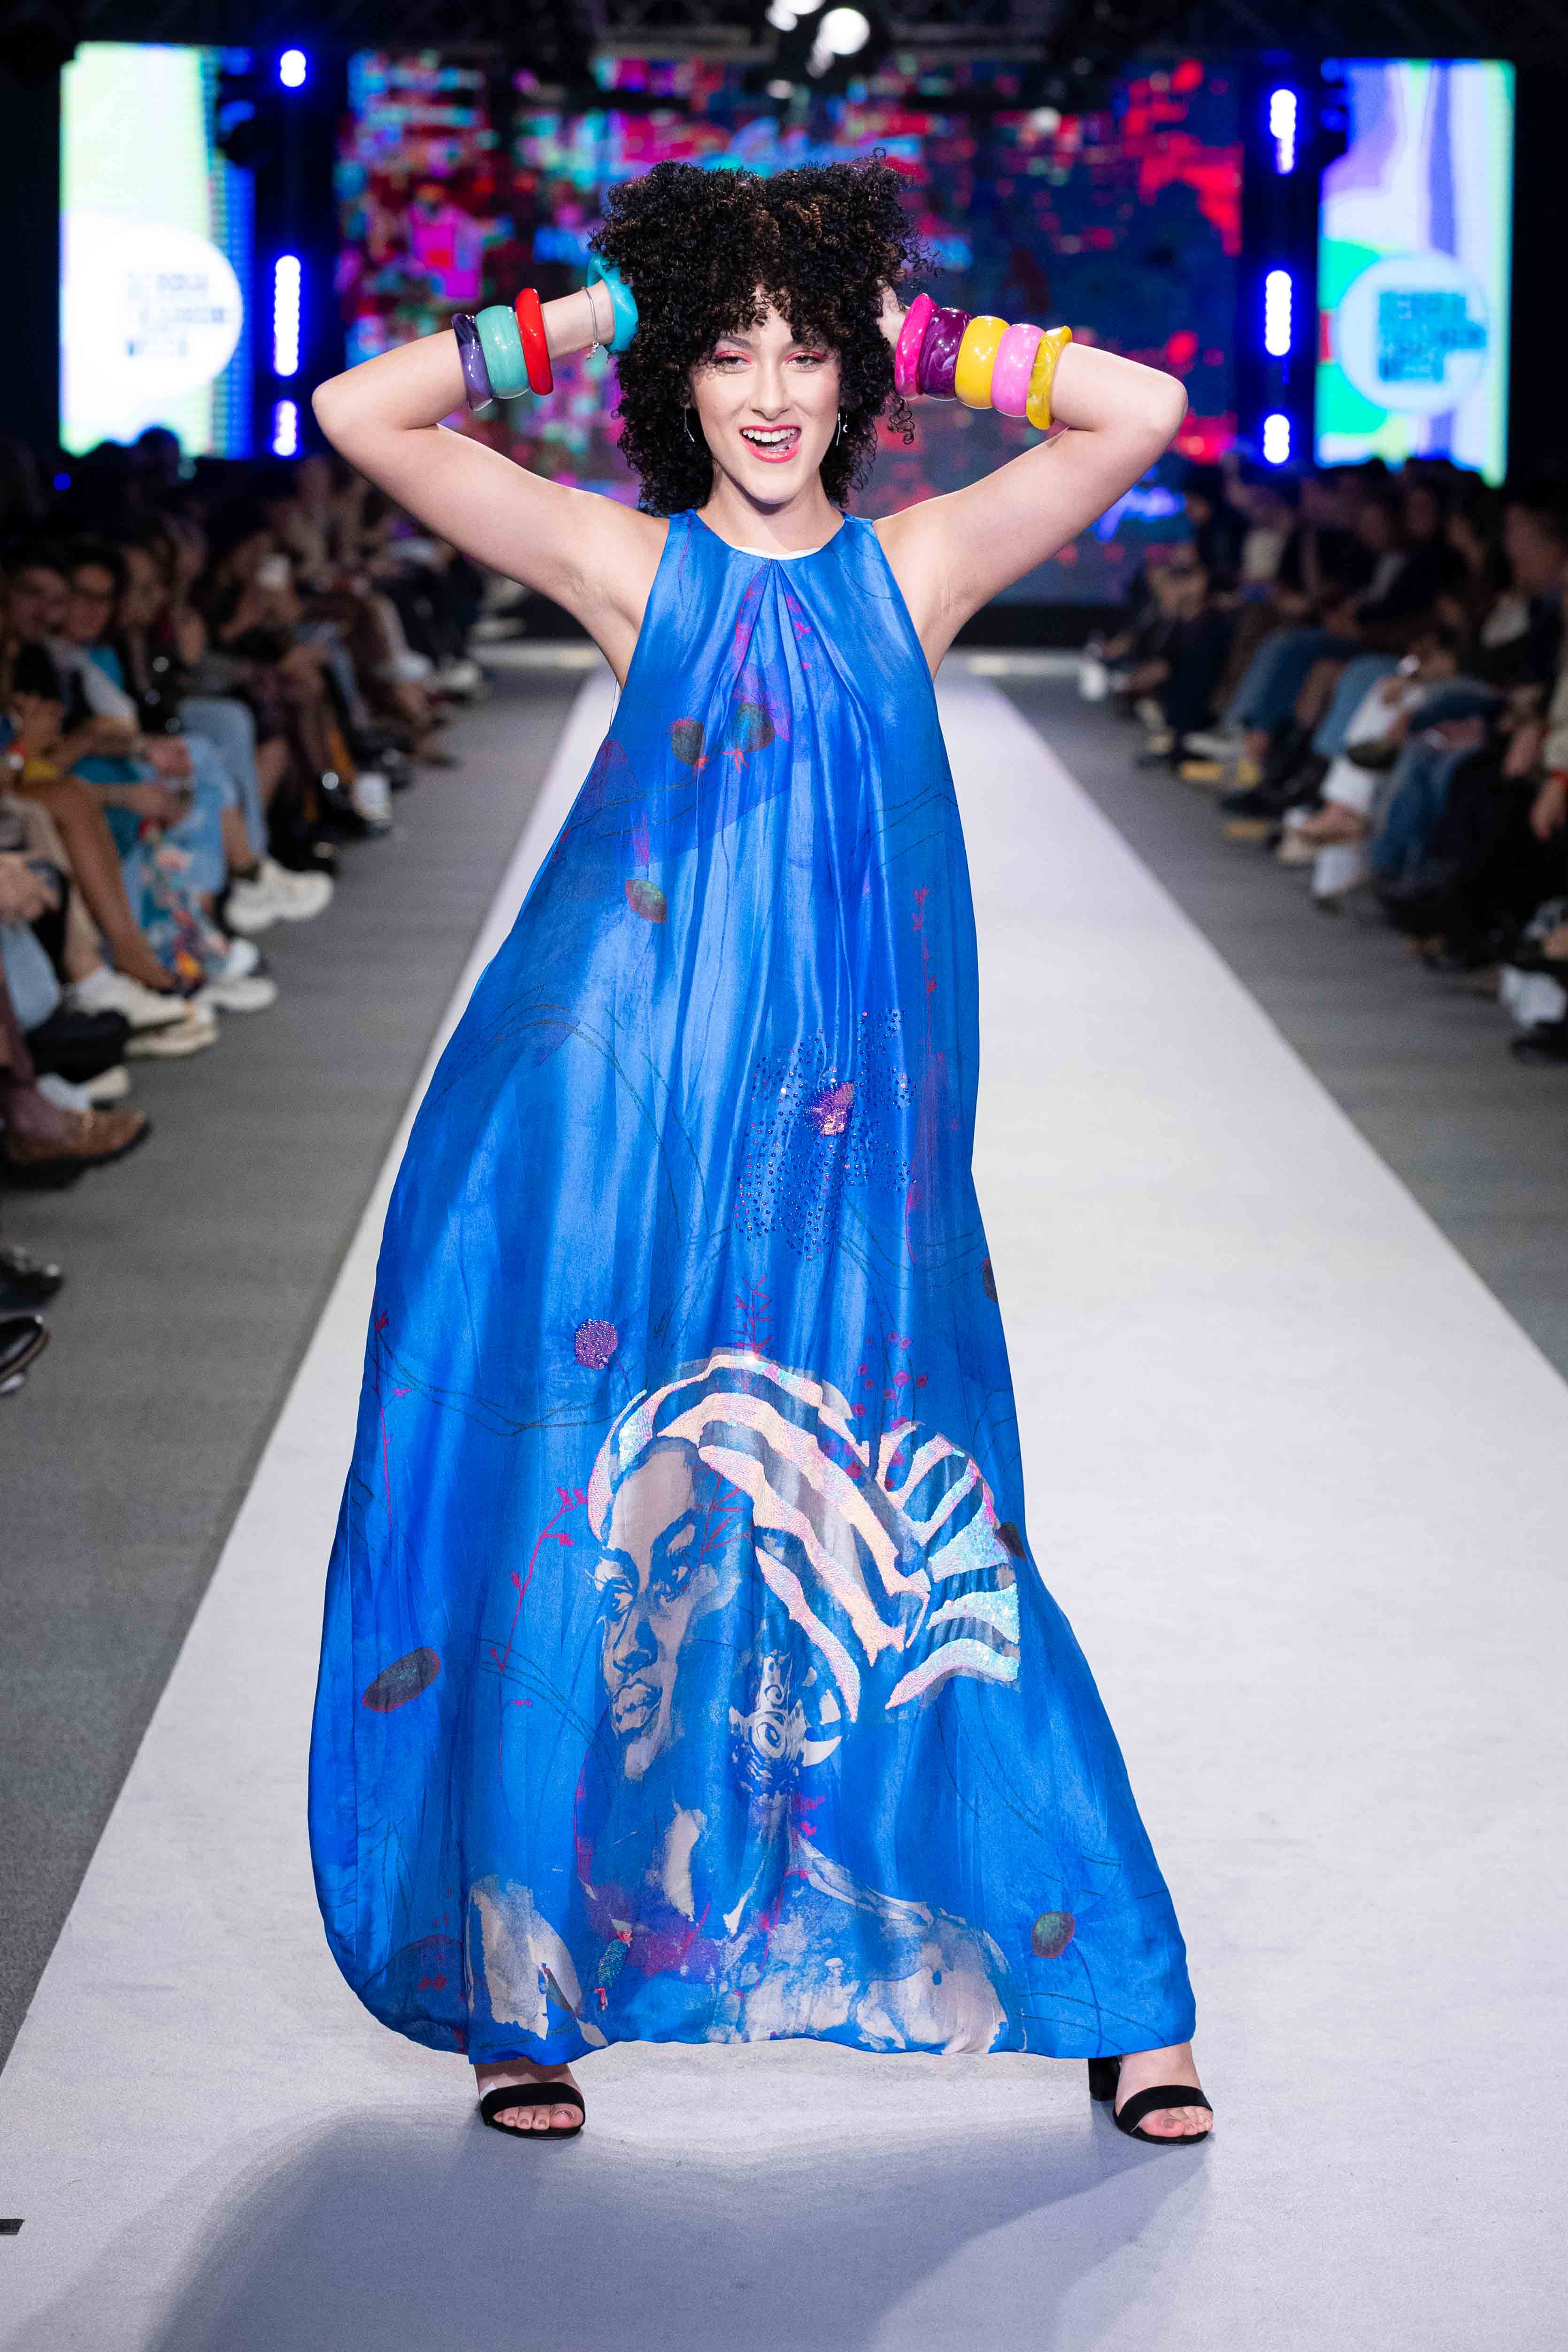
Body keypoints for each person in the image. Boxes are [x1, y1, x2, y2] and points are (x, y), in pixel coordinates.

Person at [307, 158, 1211, 2149]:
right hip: (615, 1146)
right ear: (679, 385)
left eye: (810, 353)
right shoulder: (629, 566)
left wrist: (917, 320)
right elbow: (360, 411)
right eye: (732, 354)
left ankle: (1118, 1990)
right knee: (579, 1541)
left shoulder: (919, 568)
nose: (776, 391)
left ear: (859, 372)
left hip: (857, 1170)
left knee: (941, 1547)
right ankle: (523, 1993)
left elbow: (1137, 407)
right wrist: (613, 304)